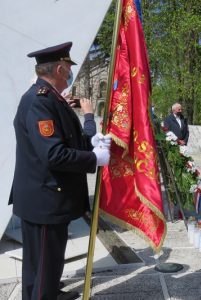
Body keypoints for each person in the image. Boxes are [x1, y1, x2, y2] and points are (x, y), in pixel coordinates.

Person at [9, 42, 111, 300]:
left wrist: (93, 142)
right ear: (58, 69)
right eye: (67, 69)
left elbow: (70, 140)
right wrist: (93, 159)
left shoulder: (50, 99)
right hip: (45, 199)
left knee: (43, 263)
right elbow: (53, 154)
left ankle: (47, 292)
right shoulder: (39, 102)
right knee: (43, 263)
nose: (69, 74)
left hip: (46, 196)